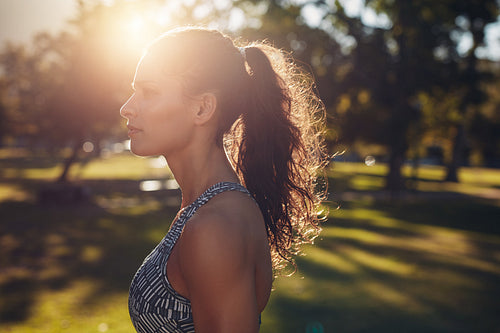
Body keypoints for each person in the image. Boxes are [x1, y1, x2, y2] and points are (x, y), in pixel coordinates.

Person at [120, 26, 327, 333]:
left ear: (203, 108)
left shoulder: (215, 226)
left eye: (148, 92)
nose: (127, 108)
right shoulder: (202, 208)